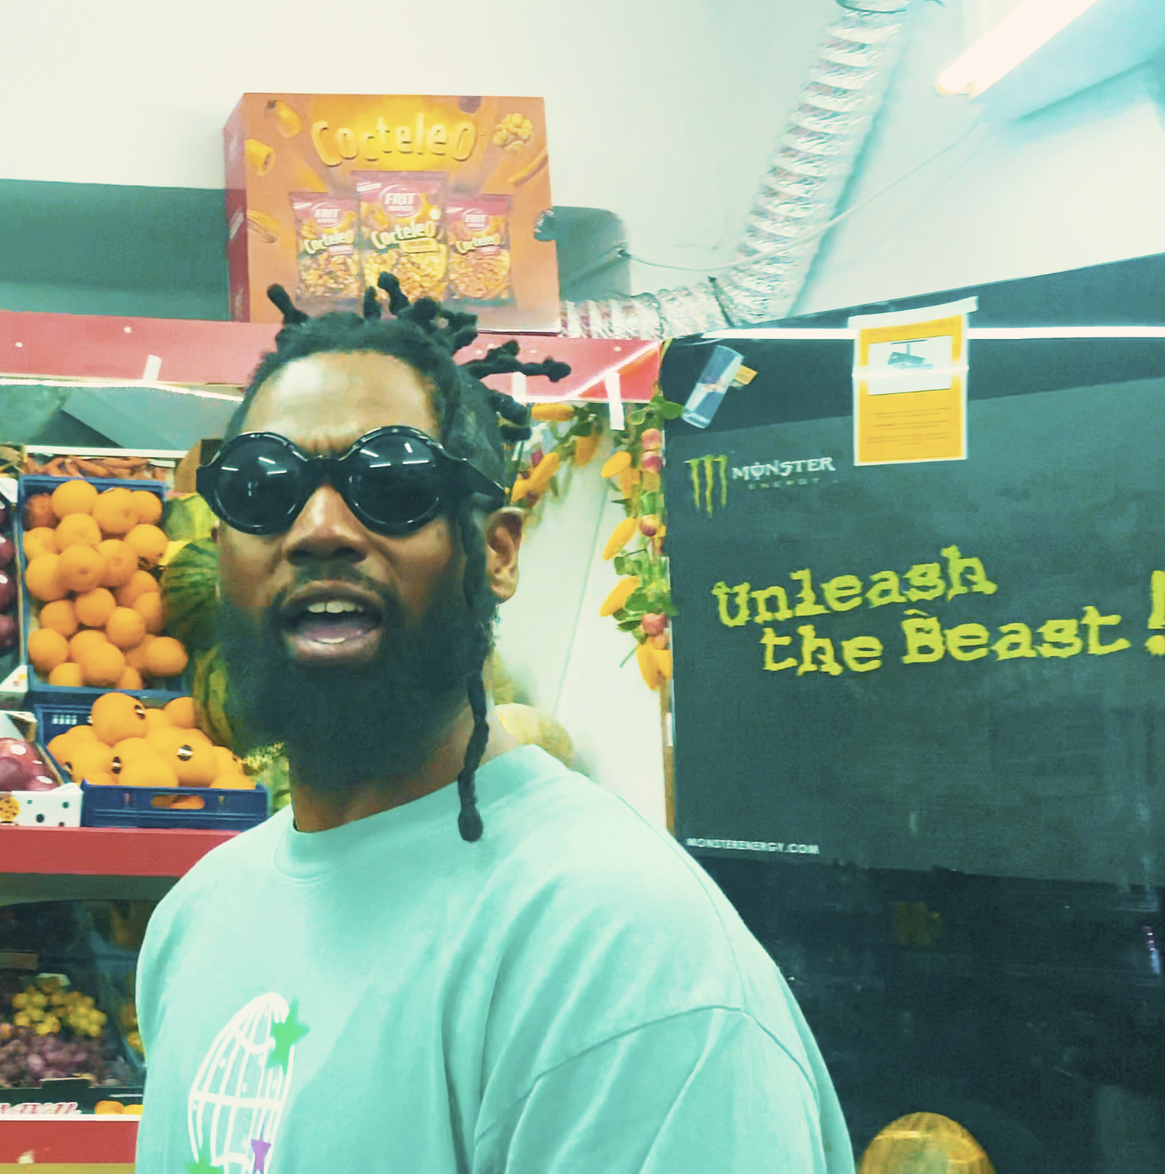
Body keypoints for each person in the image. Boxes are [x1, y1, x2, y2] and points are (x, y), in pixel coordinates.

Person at [134, 279, 853, 1174]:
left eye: (390, 483)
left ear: (499, 551)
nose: (319, 527)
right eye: (263, 487)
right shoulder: (199, 918)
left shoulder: (620, 952)